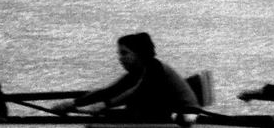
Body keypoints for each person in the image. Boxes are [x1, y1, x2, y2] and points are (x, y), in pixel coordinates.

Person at [52, 32, 197, 120]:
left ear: (139, 53)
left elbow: (135, 93)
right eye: (119, 54)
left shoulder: (154, 68)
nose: (120, 58)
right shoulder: (138, 71)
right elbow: (109, 91)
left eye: (124, 53)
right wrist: (73, 103)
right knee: (111, 113)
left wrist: (104, 105)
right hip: (164, 112)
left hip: (185, 115)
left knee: (112, 114)